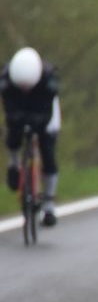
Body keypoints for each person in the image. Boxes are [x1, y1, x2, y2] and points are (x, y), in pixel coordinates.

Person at [2, 48, 63, 226]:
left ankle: (49, 205)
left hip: (44, 110)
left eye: (27, 86)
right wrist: (16, 120)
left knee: (48, 150)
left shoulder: (49, 81)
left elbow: (48, 115)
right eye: (21, 86)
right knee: (13, 134)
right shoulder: (6, 81)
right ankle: (13, 164)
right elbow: (8, 111)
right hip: (19, 108)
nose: (25, 89)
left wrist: (39, 124)